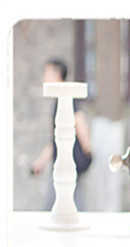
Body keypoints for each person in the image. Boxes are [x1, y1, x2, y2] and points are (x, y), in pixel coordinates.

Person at [30, 58, 93, 210]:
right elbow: (54, 140)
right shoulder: (59, 102)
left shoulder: (67, 100)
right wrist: (40, 162)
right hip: (63, 163)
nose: (44, 78)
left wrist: (87, 149)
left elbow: (79, 120)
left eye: (47, 73)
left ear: (57, 74)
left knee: (70, 204)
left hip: (71, 163)